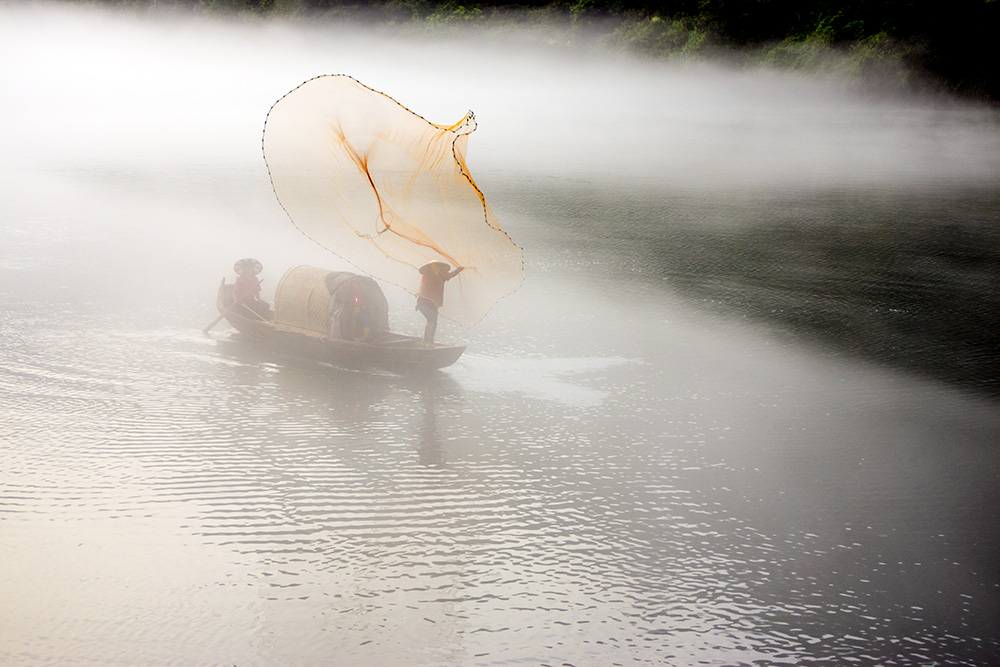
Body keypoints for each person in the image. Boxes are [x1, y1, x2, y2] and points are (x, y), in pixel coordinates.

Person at [416, 261, 464, 347]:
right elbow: (451, 274)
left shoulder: (436, 276)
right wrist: (459, 269)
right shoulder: (433, 276)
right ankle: (427, 342)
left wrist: (459, 270)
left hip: (430, 304)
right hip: (423, 303)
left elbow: (451, 275)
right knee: (431, 321)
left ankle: (429, 342)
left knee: (433, 322)